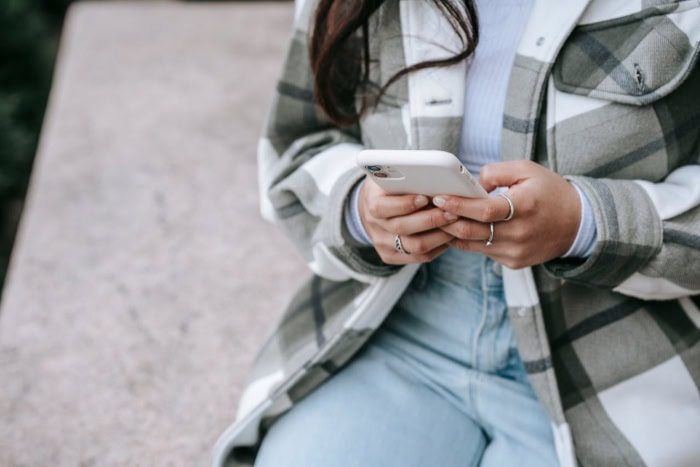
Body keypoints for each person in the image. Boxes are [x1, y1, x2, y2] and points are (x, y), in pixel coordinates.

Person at [213, 0, 700, 465]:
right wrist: (363, 210)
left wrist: (584, 224)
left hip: (624, 349)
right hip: (402, 321)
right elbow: (299, 142)